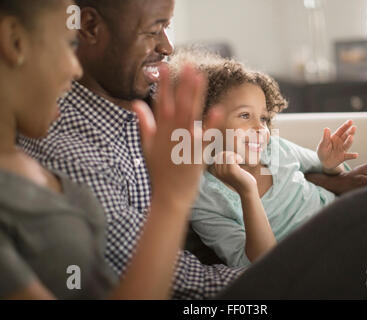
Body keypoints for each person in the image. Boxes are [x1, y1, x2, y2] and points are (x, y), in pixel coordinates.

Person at [16, 0, 367, 299]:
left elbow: (249, 149)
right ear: (89, 27)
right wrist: (308, 255)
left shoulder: (143, 93)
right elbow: (162, 281)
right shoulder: (68, 144)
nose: (168, 47)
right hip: (225, 287)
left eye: (168, 27)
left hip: (246, 259)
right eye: (154, 30)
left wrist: (332, 183)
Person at [0, 0, 222, 299]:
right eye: (68, 44)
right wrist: (171, 201)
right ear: (14, 41)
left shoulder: (142, 103)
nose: (75, 67)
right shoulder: (60, 149)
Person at [169, 51, 360, 267]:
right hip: (316, 260)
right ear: (205, 124)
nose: (260, 128)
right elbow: (256, 265)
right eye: (244, 115)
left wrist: (329, 163)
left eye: (263, 118)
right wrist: (247, 190)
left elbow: (336, 172)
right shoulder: (204, 197)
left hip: (347, 220)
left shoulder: (274, 148)